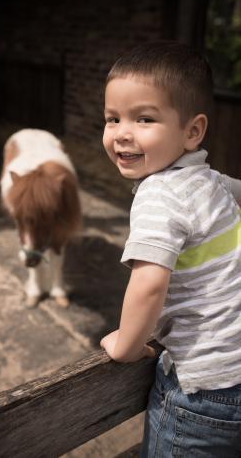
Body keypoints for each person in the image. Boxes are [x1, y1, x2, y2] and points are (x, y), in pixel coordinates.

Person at [100, 40, 241, 457]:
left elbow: (148, 284)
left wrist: (126, 346)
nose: (122, 133)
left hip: (204, 394)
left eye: (144, 118)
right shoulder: (211, 181)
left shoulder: (157, 195)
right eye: (112, 119)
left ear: (192, 131)